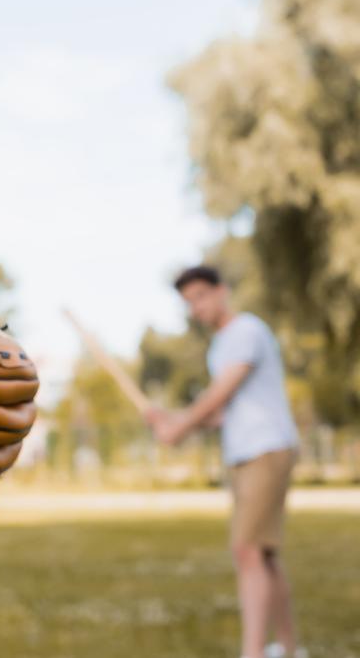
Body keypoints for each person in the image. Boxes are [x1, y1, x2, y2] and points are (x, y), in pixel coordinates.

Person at [146, 266, 305, 658]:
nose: (195, 307)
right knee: (264, 553)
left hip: (266, 448)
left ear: (222, 291)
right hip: (244, 452)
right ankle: (288, 649)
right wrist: (171, 419)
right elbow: (221, 413)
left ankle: (253, 653)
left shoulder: (246, 331)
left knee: (247, 550)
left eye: (200, 296)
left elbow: (220, 394)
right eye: (188, 302)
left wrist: (180, 426)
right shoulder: (220, 346)